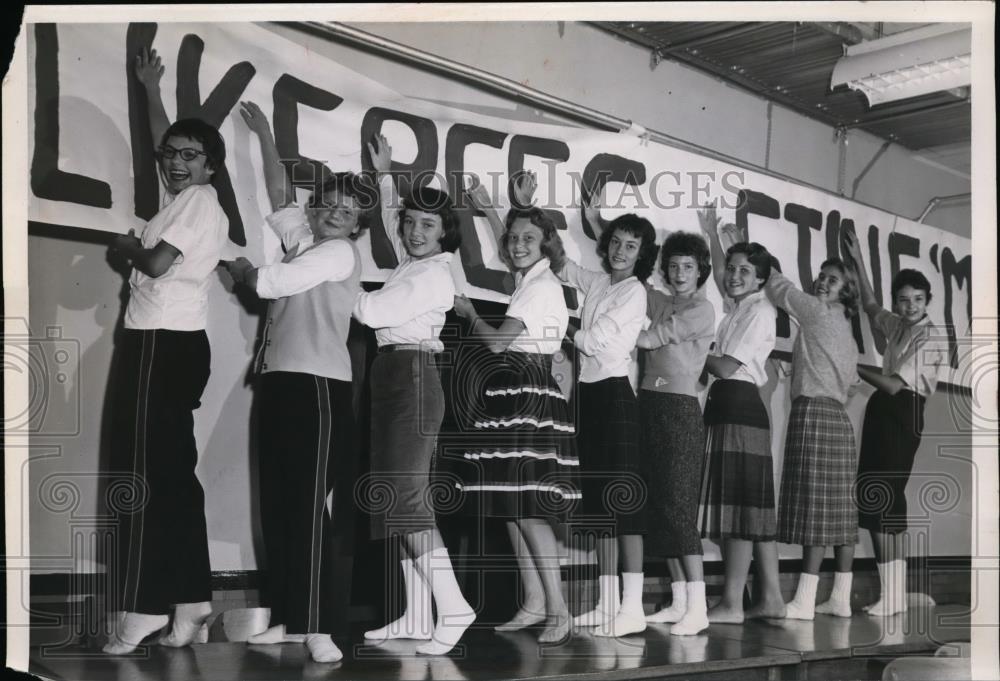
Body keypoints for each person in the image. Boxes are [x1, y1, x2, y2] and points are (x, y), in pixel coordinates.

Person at [223, 101, 365, 662]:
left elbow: (273, 282)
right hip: (281, 383)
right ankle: (288, 617)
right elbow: (282, 195)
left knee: (307, 507)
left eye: (347, 210)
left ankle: (322, 626)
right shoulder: (306, 237)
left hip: (319, 390)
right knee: (279, 504)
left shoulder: (337, 253)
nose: (335, 212)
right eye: (328, 203)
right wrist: (263, 135)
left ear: (358, 224)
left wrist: (241, 271)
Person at [103, 47, 228, 654]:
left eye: (189, 157)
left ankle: (147, 605)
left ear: (210, 165)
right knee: (171, 476)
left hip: (162, 347)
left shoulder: (200, 203)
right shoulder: (185, 198)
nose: (174, 163)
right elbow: (169, 138)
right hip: (164, 345)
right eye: (169, 155)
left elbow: (154, 262)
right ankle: (190, 600)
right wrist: (151, 91)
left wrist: (126, 246)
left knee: (149, 477)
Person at [353, 135, 475, 656]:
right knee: (394, 502)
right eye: (411, 223)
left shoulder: (435, 274)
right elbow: (387, 217)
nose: (415, 231)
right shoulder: (410, 262)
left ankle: (453, 608)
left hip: (414, 377)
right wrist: (385, 177)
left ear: (445, 235)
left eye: (428, 225)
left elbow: (373, 314)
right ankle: (417, 613)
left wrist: (333, 278)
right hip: (391, 375)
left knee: (406, 497)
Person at [453, 201, 580, 645]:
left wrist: (469, 314)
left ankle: (559, 610)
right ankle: (533, 601)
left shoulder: (539, 285)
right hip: (515, 389)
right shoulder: (530, 280)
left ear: (546, 244)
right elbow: (511, 251)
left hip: (525, 387)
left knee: (525, 508)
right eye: (513, 238)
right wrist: (491, 212)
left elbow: (497, 343)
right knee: (510, 505)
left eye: (529, 238)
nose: (518, 244)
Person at [559, 200, 654, 638]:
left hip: (616, 398)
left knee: (624, 506)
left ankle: (632, 607)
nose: (620, 250)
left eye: (630, 246)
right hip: (589, 396)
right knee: (599, 506)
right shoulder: (598, 281)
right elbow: (560, 265)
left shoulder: (635, 291)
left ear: (641, 254)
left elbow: (593, 342)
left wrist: (555, 320)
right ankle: (606, 602)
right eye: (615, 242)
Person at [844, 231, 946, 617]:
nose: (909, 306)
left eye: (917, 300)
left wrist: (848, 361)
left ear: (927, 302)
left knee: (885, 499)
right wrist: (857, 261)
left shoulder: (929, 337)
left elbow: (890, 383)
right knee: (873, 498)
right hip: (883, 411)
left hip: (902, 408)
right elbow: (870, 305)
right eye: (903, 300)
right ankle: (895, 593)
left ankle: (895, 595)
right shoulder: (900, 327)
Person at [698, 205, 785, 623]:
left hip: (738, 403)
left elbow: (726, 367)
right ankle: (772, 599)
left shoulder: (760, 310)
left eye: (744, 271)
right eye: (732, 268)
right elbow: (719, 274)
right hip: (728, 406)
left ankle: (732, 603)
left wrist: (690, 347)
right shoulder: (740, 308)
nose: (733, 275)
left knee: (738, 510)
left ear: (763, 279)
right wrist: (714, 238)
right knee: (750, 508)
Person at [762, 257, 861, 620]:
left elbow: (781, 290)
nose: (821, 282)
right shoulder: (847, 333)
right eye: (821, 276)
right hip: (838, 417)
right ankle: (841, 597)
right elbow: (851, 384)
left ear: (845, 290)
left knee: (816, 508)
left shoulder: (819, 311)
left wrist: (761, 258)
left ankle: (804, 600)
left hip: (814, 413)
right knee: (839, 512)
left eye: (832, 280)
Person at [637, 230, 716, 636]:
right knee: (662, 507)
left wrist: (616, 333)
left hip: (679, 409)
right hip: (650, 403)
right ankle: (680, 601)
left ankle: (698, 608)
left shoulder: (703, 309)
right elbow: (631, 280)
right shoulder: (663, 299)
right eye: (673, 266)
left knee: (680, 509)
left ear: (700, 270)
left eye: (688, 266)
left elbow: (656, 336)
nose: (680, 272)